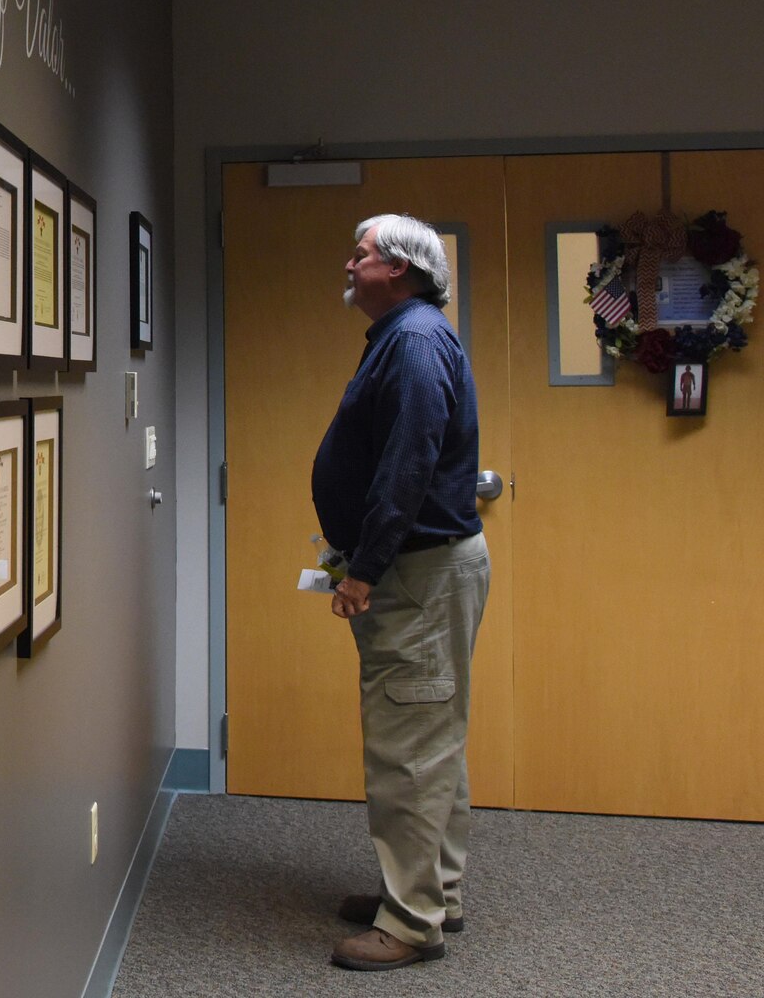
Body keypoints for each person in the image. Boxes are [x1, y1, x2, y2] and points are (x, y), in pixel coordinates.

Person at [312, 215, 490, 972]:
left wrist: (363, 570)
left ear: (403, 270)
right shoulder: (407, 333)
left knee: (409, 746)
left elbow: (407, 467)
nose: (350, 263)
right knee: (431, 731)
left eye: (363, 254)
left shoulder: (414, 340)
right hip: (425, 570)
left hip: (415, 573)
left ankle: (412, 922)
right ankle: (427, 891)